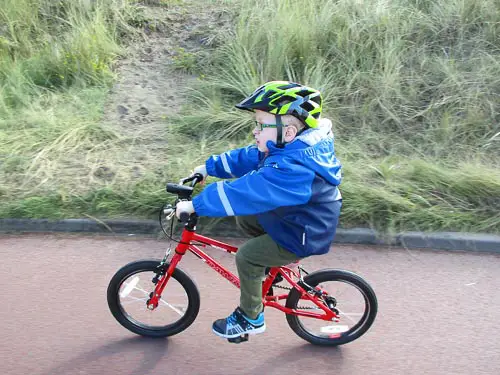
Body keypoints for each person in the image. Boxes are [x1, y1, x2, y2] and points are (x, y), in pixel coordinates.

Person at [175, 81, 342, 339]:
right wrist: (209, 167)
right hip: (294, 217)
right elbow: (249, 157)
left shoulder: (292, 167)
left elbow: (245, 190)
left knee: (247, 257)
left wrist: (196, 205)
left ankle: (250, 318)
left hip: (303, 231)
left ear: (287, 133)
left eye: (261, 125)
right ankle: (268, 271)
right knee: (246, 217)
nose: (255, 131)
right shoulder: (289, 149)